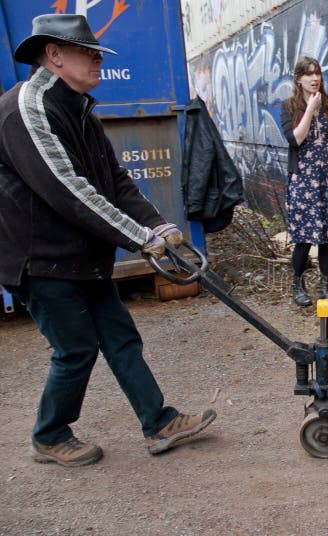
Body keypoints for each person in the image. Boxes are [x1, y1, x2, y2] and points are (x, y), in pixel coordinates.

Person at [0, 15, 217, 466]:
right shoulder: (28, 108)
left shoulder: (79, 108)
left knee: (120, 337)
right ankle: (49, 434)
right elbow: (66, 189)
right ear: (55, 55)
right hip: (38, 256)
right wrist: (140, 238)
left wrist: (159, 226)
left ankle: (159, 422)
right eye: (89, 52)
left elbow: (114, 181)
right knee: (76, 348)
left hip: (78, 251)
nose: (99, 60)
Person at [280, 56, 328, 306]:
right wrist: (309, 109)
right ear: (298, 79)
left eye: (317, 73)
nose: (315, 78)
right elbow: (295, 139)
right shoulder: (289, 107)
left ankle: (325, 286)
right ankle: (297, 286)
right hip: (303, 180)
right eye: (308, 74)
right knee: (304, 237)